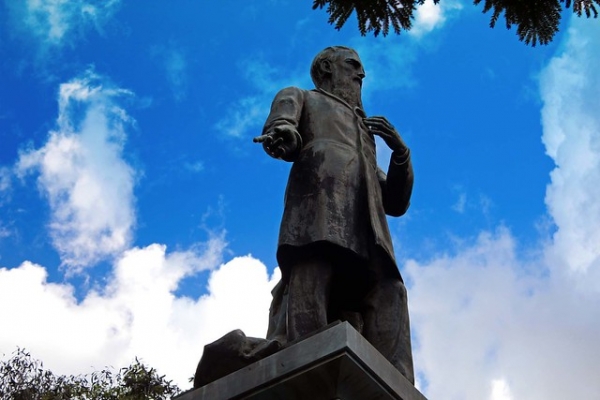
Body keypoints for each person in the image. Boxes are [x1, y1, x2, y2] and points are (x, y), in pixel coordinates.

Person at [254, 46, 415, 384]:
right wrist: (282, 133)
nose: (362, 75)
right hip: (319, 210)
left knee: (391, 291)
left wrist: (400, 154)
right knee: (314, 272)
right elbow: (285, 127)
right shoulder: (302, 96)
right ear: (327, 68)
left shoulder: (366, 133)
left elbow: (396, 203)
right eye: (354, 65)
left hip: (367, 229)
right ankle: (306, 369)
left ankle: (396, 381)